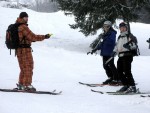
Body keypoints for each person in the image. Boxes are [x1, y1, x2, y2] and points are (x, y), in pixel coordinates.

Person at [15, 12, 51, 91]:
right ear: (21, 18)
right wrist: (44, 36)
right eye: (25, 17)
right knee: (28, 66)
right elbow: (33, 37)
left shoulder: (17, 26)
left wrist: (30, 40)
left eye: (27, 17)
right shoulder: (23, 27)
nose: (27, 19)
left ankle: (21, 84)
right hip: (25, 50)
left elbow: (26, 37)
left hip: (18, 50)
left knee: (23, 68)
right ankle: (27, 85)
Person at [91, 20, 120, 85]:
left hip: (110, 52)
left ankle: (116, 78)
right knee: (105, 66)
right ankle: (110, 77)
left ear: (109, 27)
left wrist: (104, 38)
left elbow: (111, 42)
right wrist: (95, 49)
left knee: (111, 65)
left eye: (107, 26)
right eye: (104, 26)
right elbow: (101, 43)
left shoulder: (112, 33)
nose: (105, 28)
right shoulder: (104, 34)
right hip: (104, 53)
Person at [113, 22, 137, 93]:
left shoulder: (129, 35)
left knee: (127, 71)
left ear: (126, 28)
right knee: (119, 71)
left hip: (128, 55)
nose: (122, 29)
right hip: (120, 56)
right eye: (121, 27)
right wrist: (114, 51)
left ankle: (132, 86)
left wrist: (129, 46)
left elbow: (135, 45)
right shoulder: (119, 37)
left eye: (124, 27)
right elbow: (117, 46)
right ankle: (126, 85)